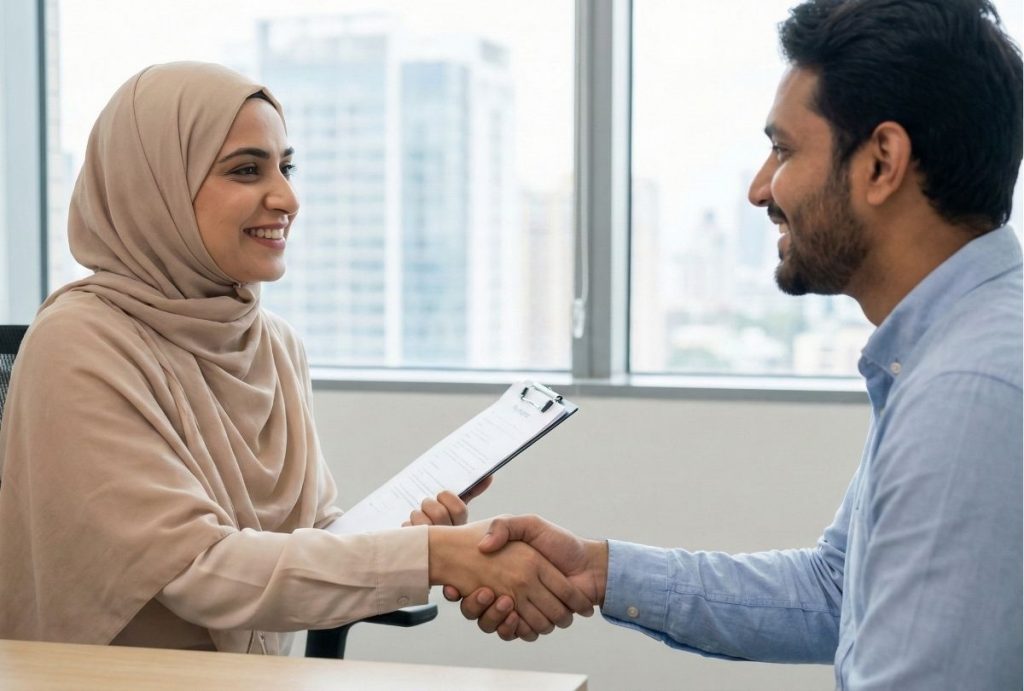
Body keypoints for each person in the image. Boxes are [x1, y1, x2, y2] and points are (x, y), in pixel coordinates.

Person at [452, 0, 1024, 687]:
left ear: (881, 163)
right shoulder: (951, 351)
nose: (761, 188)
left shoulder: (969, 392)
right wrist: (598, 569)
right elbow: (837, 590)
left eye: (783, 149)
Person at [0, 61, 591, 654]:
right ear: (154, 186)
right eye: (246, 170)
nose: (286, 197)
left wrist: (409, 538)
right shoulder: (78, 344)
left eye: (286, 167)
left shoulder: (273, 342)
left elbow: (310, 535)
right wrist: (432, 558)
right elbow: (197, 570)